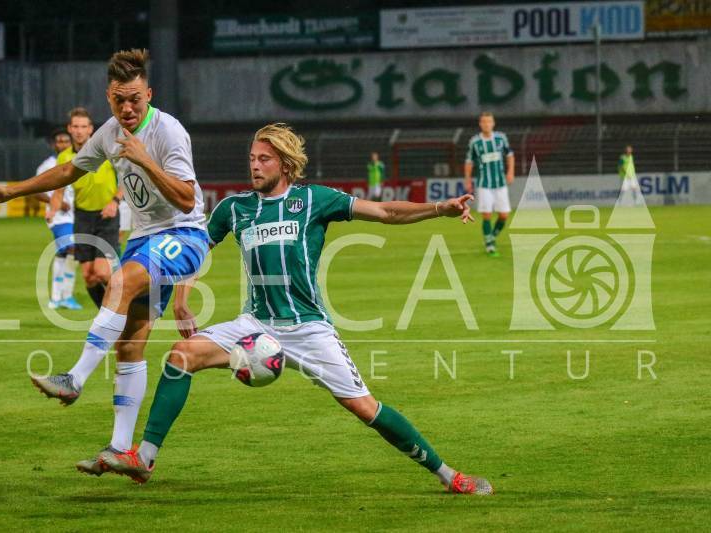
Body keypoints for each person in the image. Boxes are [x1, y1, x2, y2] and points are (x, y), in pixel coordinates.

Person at [98, 123, 492, 496]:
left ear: (285, 164)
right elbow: (195, 249)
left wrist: (439, 208)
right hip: (255, 324)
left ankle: (449, 475)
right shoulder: (234, 208)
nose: (254, 165)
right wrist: (182, 298)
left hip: (308, 328)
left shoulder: (315, 200)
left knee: (364, 407)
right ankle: (144, 458)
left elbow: (385, 212)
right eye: (252, 158)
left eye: (264, 159)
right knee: (181, 356)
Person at [0, 48, 208, 473]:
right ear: (108, 97)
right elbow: (69, 172)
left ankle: (75, 378)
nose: (127, 107)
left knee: (118, 281)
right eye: (119, 99)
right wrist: (12, 190)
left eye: (135, 98)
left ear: (149, 94)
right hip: (144, 238)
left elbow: (187, 199)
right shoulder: (109, 132)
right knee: (129, 343)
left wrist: (143, 158)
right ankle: (121, 449)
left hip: (183, 234)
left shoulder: (168, 131)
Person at [51, 107, 122, 309]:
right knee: (89, 277)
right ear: (69, 128)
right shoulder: (64, 157)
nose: (79, 131)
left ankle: (124, 306)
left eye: (83, 126)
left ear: (91, 129)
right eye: (75, 126)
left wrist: (115, 201)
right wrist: (52, 210)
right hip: (82, 218)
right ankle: (107, 316)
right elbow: (58, 190)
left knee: (102, 272)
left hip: (106, 216)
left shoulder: (105, 150)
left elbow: (127, 178)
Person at [33, 128, 82, 310]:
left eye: (66, 141)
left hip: (78, 216)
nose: (63, 144)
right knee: (71, 248)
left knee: (65, 254)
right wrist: (57, 203)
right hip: (59, 217)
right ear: (54, 145)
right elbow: (36, 192)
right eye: (59, 141)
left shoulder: (77, 161)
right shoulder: (47, 166)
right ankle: (62, 296)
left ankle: (60, 297)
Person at [464, 112, 514, 257]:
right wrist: (467, 179)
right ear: (480, 124)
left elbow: (510, 155)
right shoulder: (475, 142)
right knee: (487, 215)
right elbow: (469, 161)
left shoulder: (501, 138)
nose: (487, 124)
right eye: (484, 122)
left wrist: (510, 171)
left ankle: (491, 236)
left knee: (504, 215)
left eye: (489, 121)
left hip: (500, 183)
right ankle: (490, 244)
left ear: (493, 123)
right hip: (484, 184)